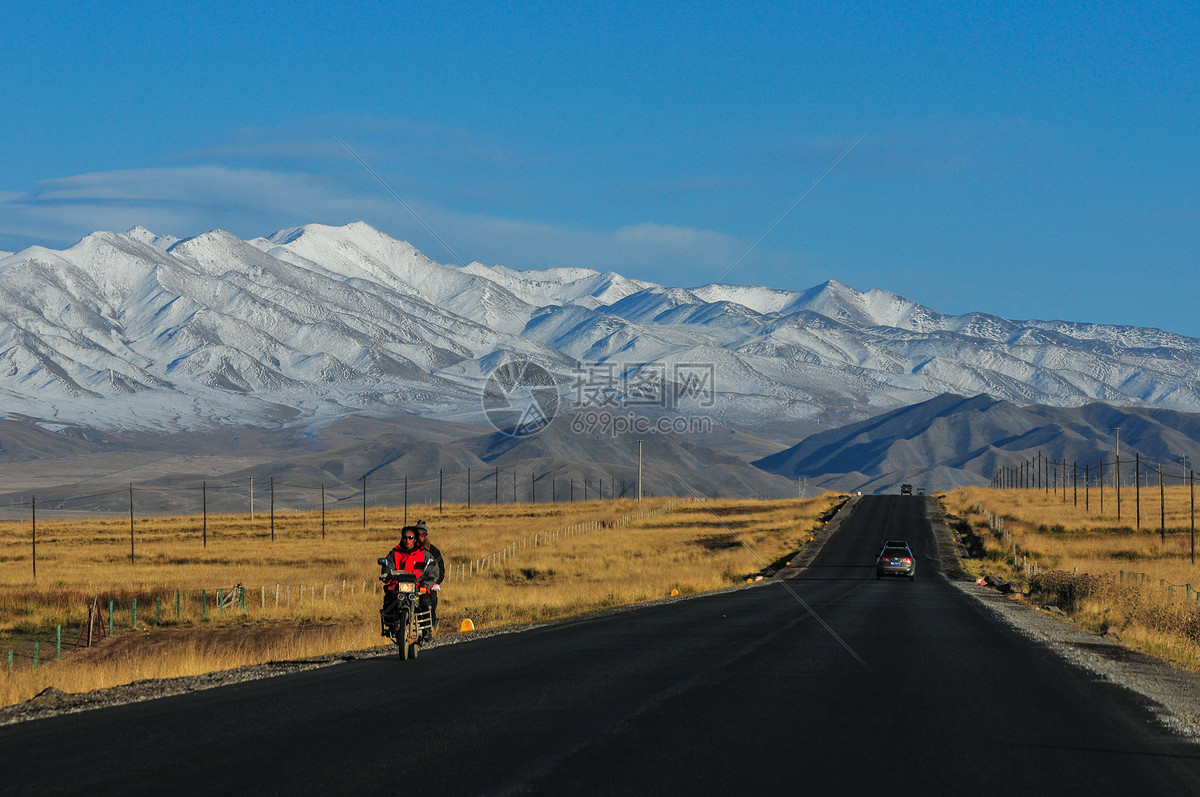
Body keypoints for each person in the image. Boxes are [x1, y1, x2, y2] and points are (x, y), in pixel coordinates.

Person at [381, 526, 440, 635]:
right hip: (400, 587)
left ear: (415, 539)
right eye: (405, 538)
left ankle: (427, 628)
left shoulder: (424, 554)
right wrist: (387, 575)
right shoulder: (394, 553)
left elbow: (433, 569)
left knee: (427, 601)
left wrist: (427, 583)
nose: (407, 540)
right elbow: (388, 567)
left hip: (418, 587)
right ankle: (390, 625)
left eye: (410, 537)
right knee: (389, 600)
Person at [415, 520, 444, 638]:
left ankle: (429, 627)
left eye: (423, 534)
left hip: (427, 584)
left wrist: (431, 582)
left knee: (428, 600)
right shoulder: (407, 549)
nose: (420, 537)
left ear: (426, 535)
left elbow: (440, 573)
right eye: (418, 534)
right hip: (410, 583)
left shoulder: (434, 551)